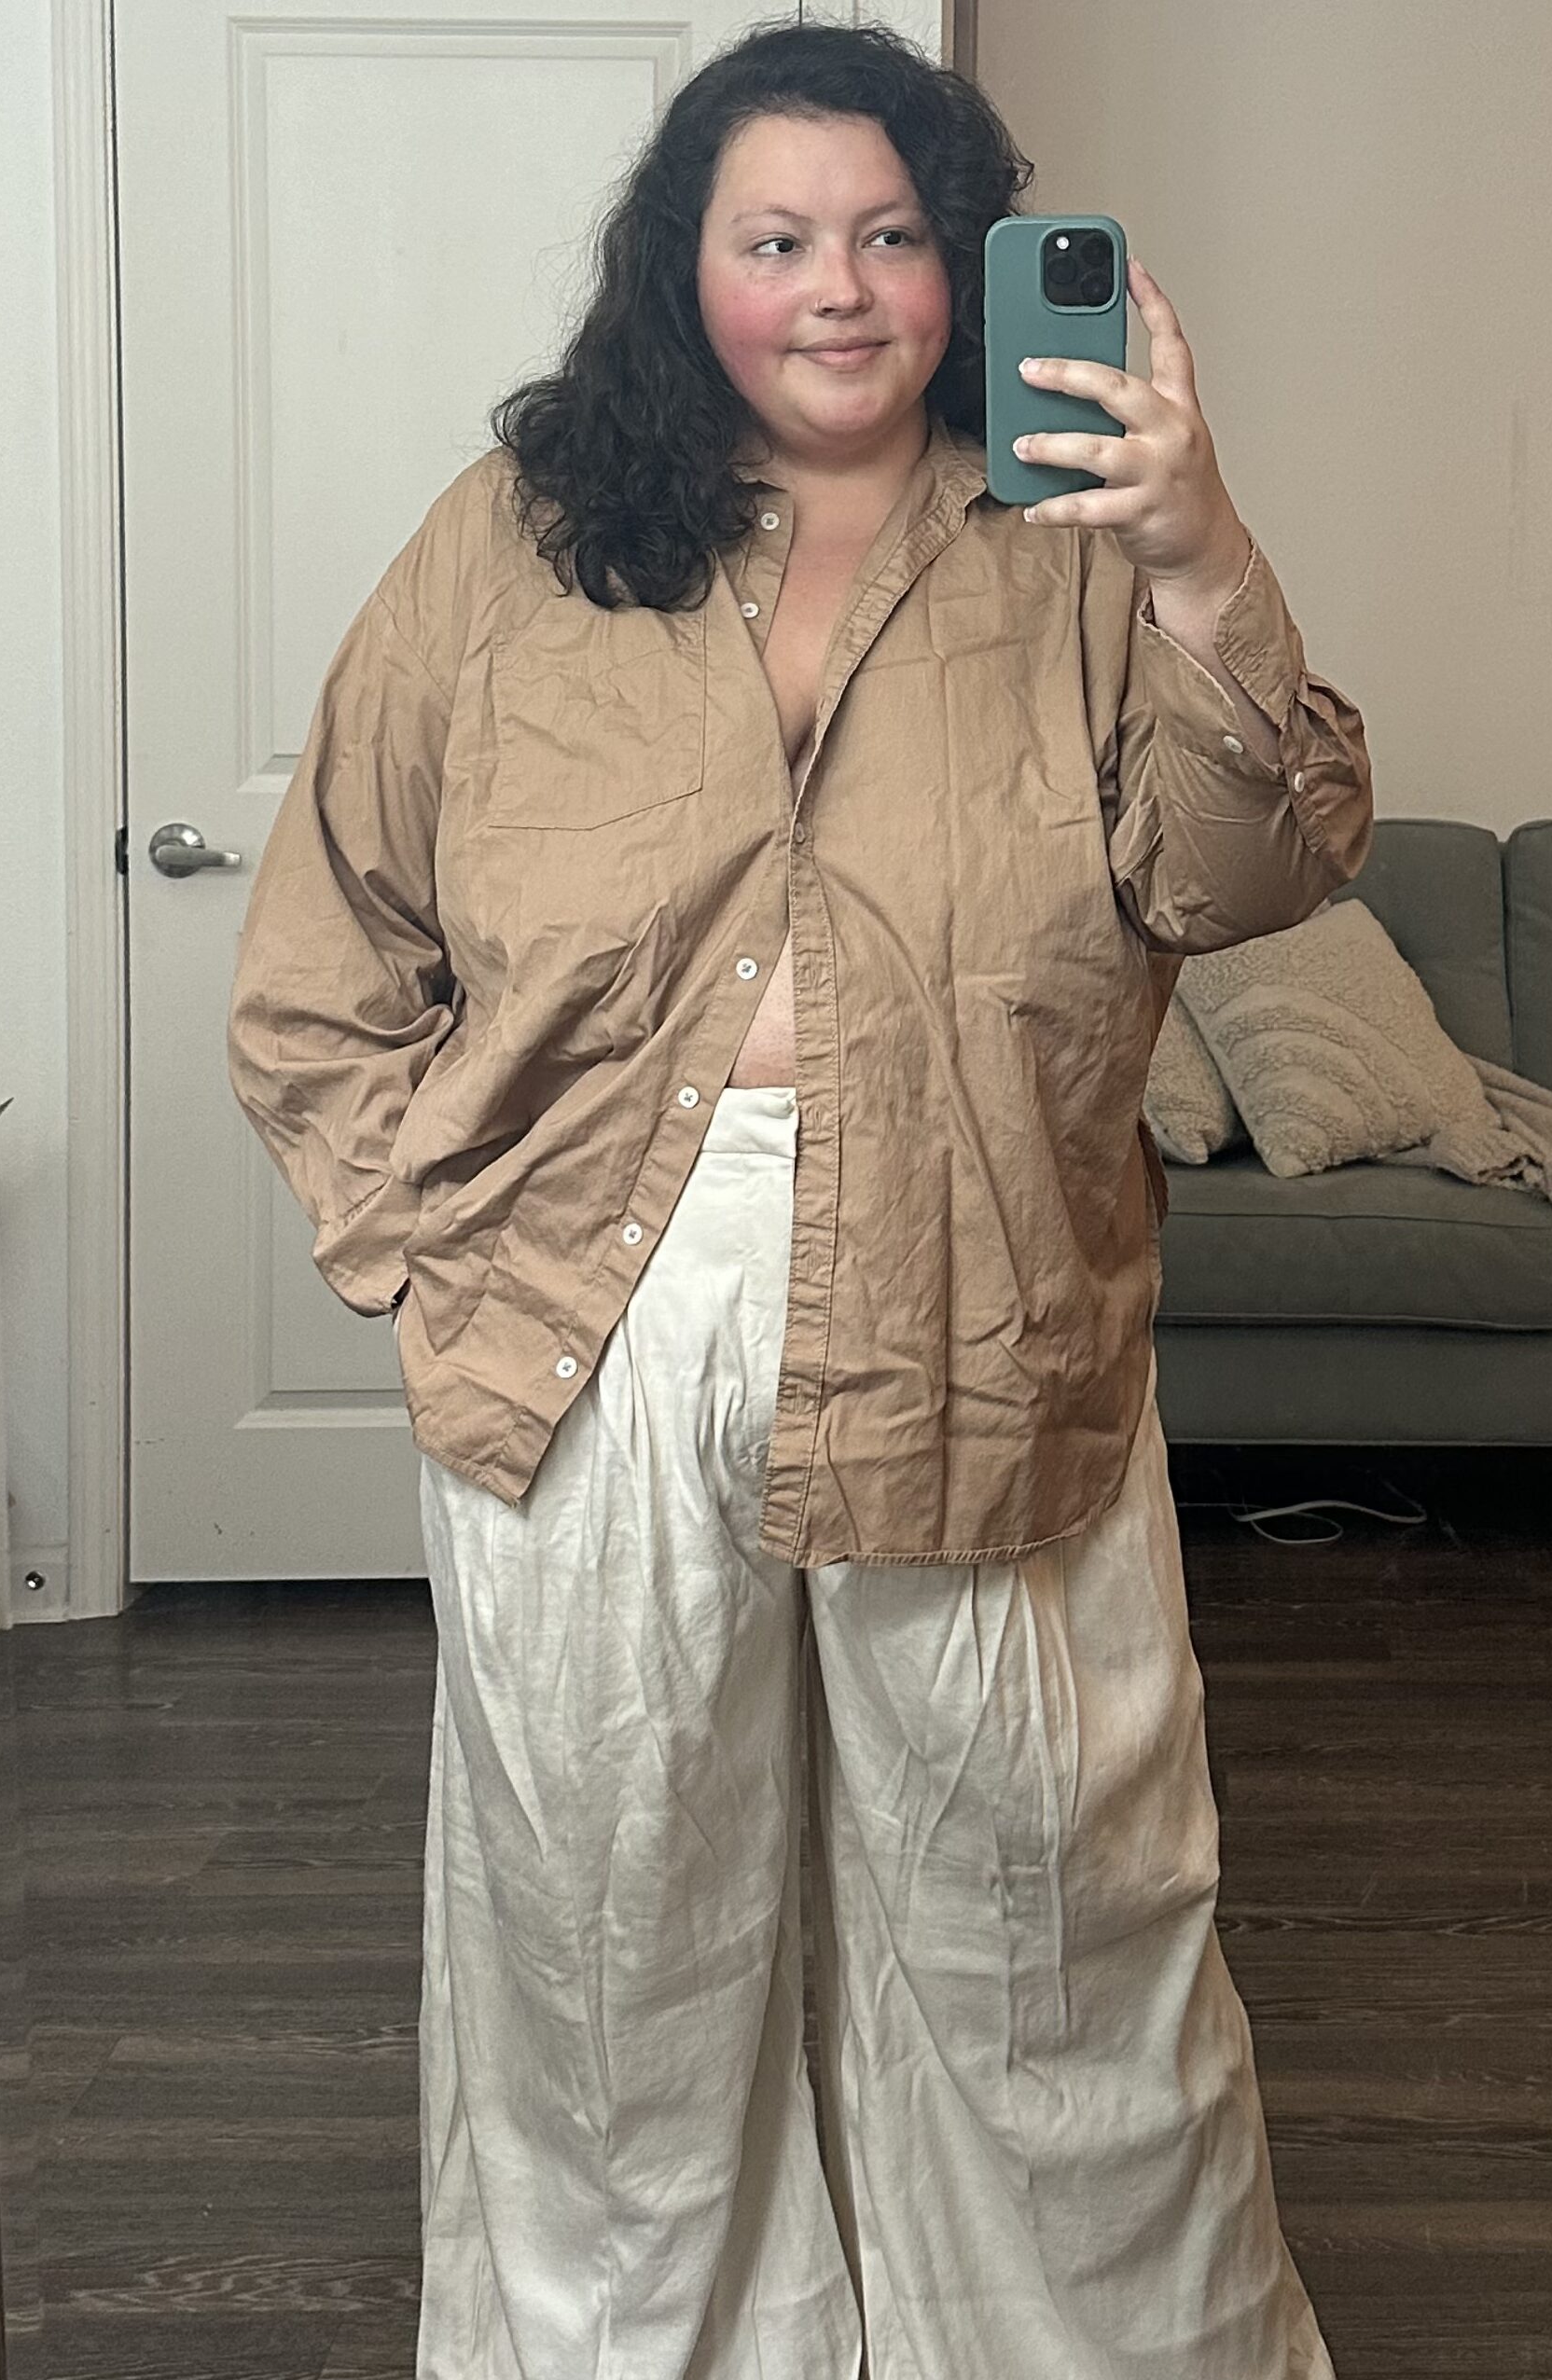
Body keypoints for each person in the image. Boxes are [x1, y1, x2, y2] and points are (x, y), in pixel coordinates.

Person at [229, 17, 1372, 2377]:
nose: (835, 290)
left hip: (990, 1302)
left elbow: (1252, 863)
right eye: (774, 240)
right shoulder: (521, 539)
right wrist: (420, 1258)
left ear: (963, 266)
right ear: (689, 268)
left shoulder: (1070, 535)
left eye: (885, 236)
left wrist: (1196, 540)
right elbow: (326, 946)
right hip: (590, 1318)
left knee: (1053, 1929)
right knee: (612, 1933)